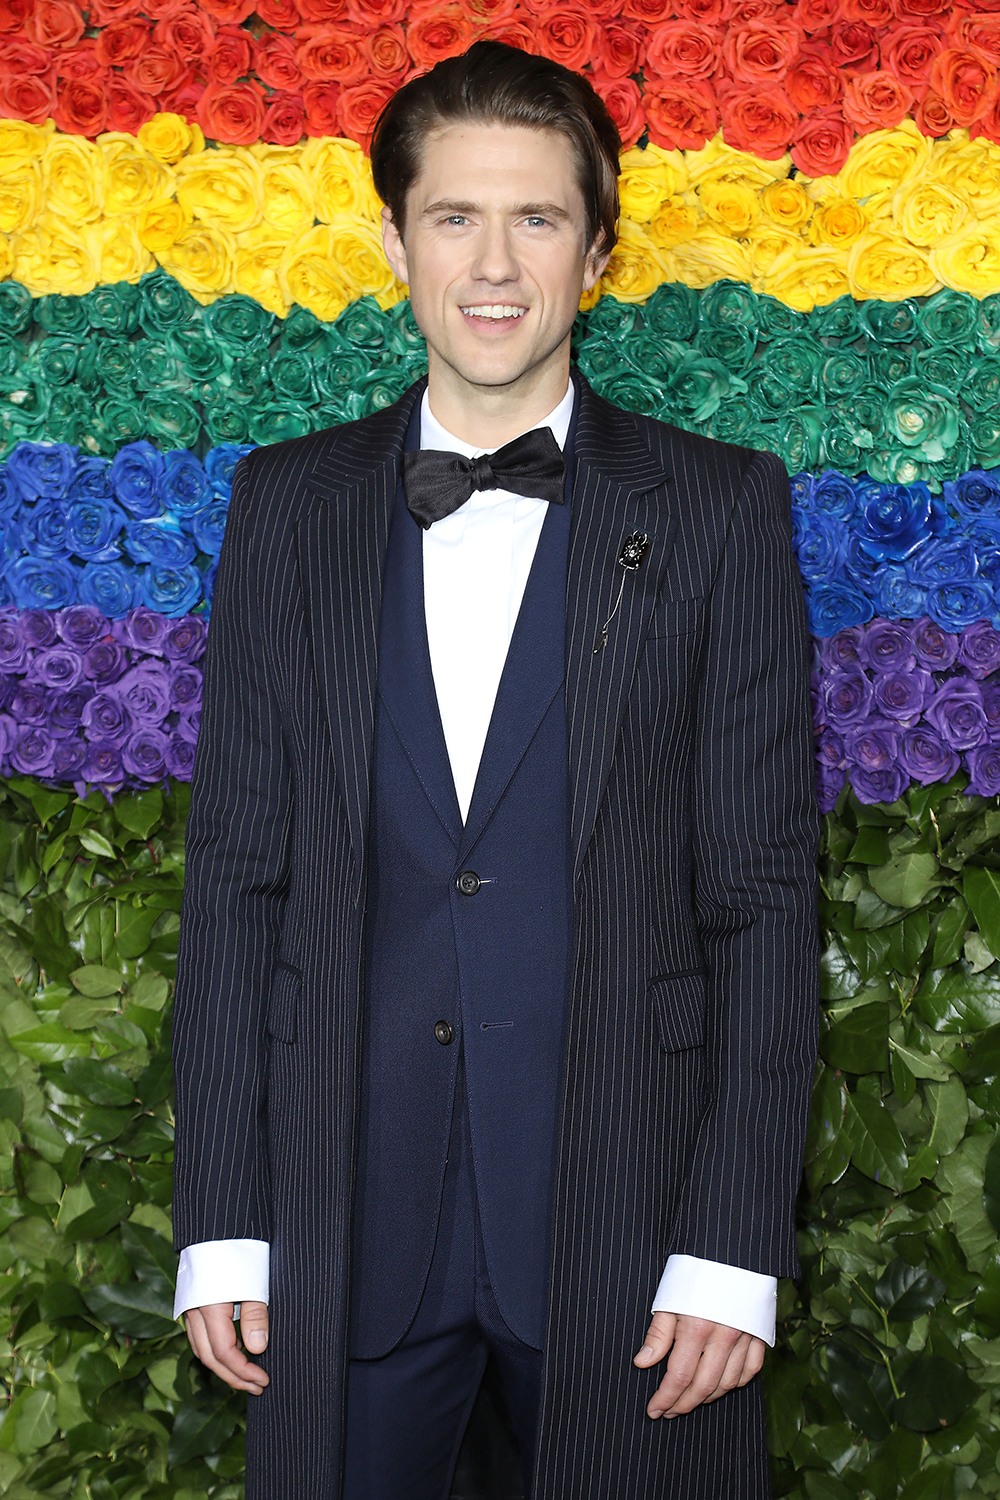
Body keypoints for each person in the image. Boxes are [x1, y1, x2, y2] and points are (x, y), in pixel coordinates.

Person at [170, 38, 820, 1500]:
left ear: (597, 254)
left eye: (538, 218)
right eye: (456, 216)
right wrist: (222, 1217)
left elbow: (763, 900)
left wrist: (735, 1243)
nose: (495, 263)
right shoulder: (286, 508)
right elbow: (237, 884)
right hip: (341, 1226)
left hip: (640, 1234)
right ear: (395, 240)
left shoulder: (718, 510)